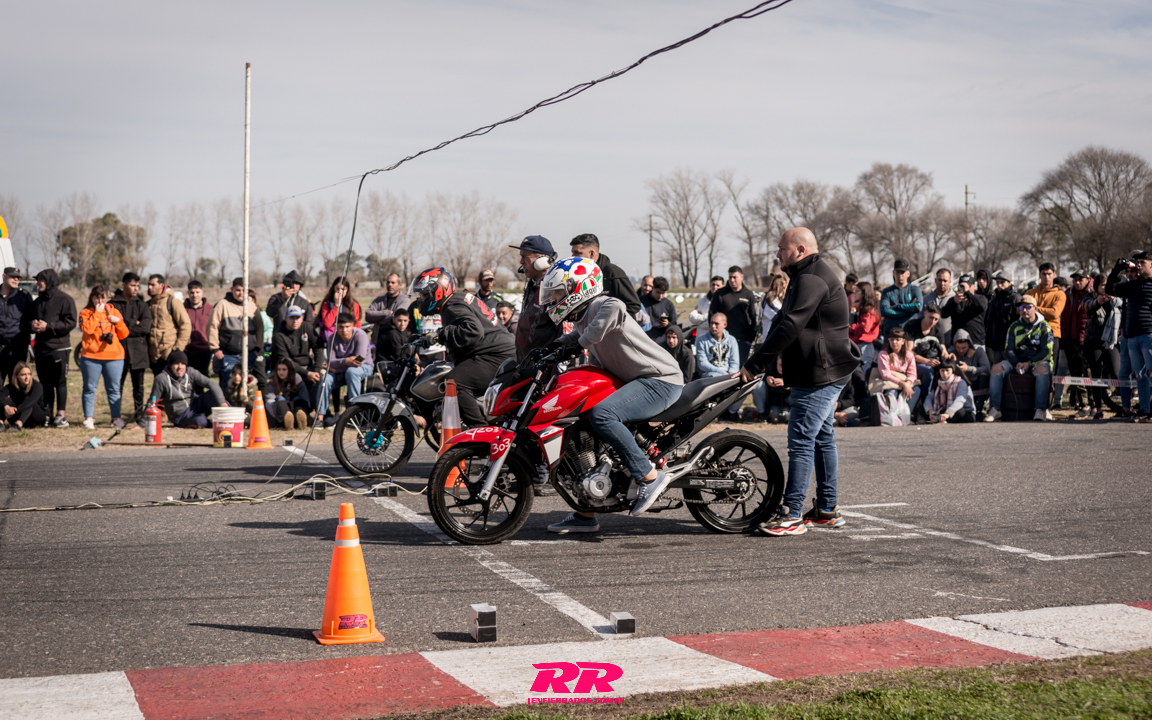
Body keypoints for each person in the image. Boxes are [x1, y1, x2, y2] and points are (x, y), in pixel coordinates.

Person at [541, 256, 685, 534]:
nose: (553, 300)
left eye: (558, 293)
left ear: (578, 288)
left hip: (659, 380)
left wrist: (579, 344)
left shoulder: (602, 304)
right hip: (637, 381)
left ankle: (649, 477)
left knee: (603, 415)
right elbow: (579, 337)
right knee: (583, 424)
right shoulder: (583, 317)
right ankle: (586, 511)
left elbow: (613, 310)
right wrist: (552, 348)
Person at [739, 228, 860, 536]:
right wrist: (761, 359)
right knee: (821, 437)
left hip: (821, 373)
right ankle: (826, 510)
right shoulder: (804, 275)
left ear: (800, 250)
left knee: (802, 438)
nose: (777, 254)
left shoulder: (812, 279)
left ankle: (791, 514)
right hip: (823, 369)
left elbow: (791, 325)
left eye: (782, 248)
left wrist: (755, 364)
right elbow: (782, 321)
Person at [410, 267, 515, 428]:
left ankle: (481, 432)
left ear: (438, 291)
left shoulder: (451, 306)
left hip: (497, 356)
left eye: (424, 294)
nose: (421, 299)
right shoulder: (457, 299)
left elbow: (473, 331)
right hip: (499, 353)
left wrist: (439, 335)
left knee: (454, 382)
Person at [985, 295, 1054, 422]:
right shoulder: (1014, 326)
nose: (1024, 310)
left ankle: (1040, 410)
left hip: (1037, 361)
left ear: (1036, 309)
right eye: (1022, 308)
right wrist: (1017, 363)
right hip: (1017, 361)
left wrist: (1029, 363)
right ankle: (995, 409)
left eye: (1028, 307)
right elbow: (1009, 349)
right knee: (996, 369)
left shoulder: (1045, 326)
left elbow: (1046, 351)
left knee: (1042, 370)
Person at [1106, 251, 1152, 422]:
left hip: (1149, 336)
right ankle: (1146, 411)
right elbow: (1110, 289)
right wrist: (1116, 270)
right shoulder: (1133, 285)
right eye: (1137, 262)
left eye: (1142, 262)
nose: (1138, 265)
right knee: (1140, 376)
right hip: (1132, 337)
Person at [78, 284, 131, 430]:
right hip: (91, 357)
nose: (100, 301)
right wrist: (97, 313)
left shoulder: (114, 311)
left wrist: (118, 322)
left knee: (114, 389)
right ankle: (89, 418)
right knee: (89, 388)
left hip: (114, 357)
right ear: (92, 298)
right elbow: (87, 329)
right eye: (97, 298)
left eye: (103, 298)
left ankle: (116, 418)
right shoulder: (85, 312)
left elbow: (124, 334)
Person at [29, 269, 77, 427]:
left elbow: (70, 322)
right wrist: (32, 325)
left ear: (50, 281)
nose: (38, 283)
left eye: (41, 280)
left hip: (59, 348)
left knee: (60, 383)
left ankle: (60, 416)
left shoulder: (65, 299)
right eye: (38, 280)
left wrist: (48, 327)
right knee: (45, 383)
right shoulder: (37, 302)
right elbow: (28, 320)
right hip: (41, 348)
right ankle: (47, 414)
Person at [109, 273, 153, 425]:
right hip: (117, 352)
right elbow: (109, 327)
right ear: (124, 285)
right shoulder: (112, 305)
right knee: (116, 387)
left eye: (137, 286)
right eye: (133, 285)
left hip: (138, 352)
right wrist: (134, 323)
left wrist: (122, 324)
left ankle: (139, 416)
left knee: (138, 387)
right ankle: (115, 417)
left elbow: (145, 328)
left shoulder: (142, 305)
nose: (136, 289)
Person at [511, 235, 561, 362]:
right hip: (525, 363)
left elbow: (565, 333)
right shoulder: (532, 284)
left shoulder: (554, 289)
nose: (521, 262)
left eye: (525, 257)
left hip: (543, 366)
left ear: (542, 261)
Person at [569, 234, 643, 319]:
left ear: (592, 253)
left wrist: (605, 321)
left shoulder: (613, 273)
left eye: (578, 253)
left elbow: (633, 306)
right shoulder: (578, 276)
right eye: (572, 252)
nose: (573, 256)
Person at [318, 312, 373, 427]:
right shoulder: (332, 338)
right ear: (336, 327)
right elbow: (330, 361)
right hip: (343, 371)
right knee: (326, 379)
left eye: (347, 327)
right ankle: (320, 417)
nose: (344, 330)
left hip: (363, 367)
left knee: (351, 372)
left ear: (352, 325)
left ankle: (355, 414)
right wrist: (346, 361)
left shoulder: (360, 335)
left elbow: (358, 361)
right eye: (341, 327)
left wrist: (337, 368)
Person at [148, 350, 227, 428]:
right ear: (170, 365)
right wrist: (143, 423)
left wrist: (222, 402)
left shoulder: (191, 372)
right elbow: (152, 401)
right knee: (200, 421)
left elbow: (212, 384)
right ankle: (212, 422)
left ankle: (230, 418)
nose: (180, 367)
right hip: (180, 416)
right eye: (176, 364)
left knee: (214, 396)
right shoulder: (161, 379)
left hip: (194, 405)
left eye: (183, 364)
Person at [208, 278, 264, 383]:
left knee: (247, 382)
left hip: (249, 352)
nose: (241, 293)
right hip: (228, 353)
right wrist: (215, 348)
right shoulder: (222, 305)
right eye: (238, 290)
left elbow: (260, 328)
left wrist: (258, 347)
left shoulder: (252, 306)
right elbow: (212, 327)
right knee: (229, 381)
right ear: (232, 289)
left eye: (244, 290)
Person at [1082, 276, 1123, 419]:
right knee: (1096, 375)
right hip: (1093, 341)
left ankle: (1126, 407)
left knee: (1116, 372)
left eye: (1108, 285)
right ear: (1096, 286)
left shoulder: (1115, 298)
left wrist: (1114, 300)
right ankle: (1098, 409)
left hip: (1111, 341)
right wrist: (1097, 302)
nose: (1105, 288)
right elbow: (1087, 306)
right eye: (1103, 285)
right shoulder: (1088, 297)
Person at [271, 305, 326, 407]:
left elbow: (318, 347)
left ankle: (321, 411)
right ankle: (304, 408)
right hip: (289, 368)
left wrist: (317, 370)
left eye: (297, 317)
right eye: (292, 318)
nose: (295, 321)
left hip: (308, 366)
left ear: (302, 318)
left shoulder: (307, 327)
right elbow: (285, 360)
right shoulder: (279, 335)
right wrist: (307, 373)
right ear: (286, 318)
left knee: (319, 380)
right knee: (300, 380)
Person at [709, 265, 759, 367]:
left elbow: (755, 318)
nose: (732, 280)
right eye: (730, 277)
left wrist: (750, 339)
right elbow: (711, 315)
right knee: (724, 370)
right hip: (723, 341)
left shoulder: (749, 295)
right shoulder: (720, 294)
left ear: (741, 277)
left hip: (743, 342)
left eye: (734, 277)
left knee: (740, 370)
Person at [1061, 270, 1094, 415]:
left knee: (1089, 374)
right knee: (1076, 375)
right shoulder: (1069, 294)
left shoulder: (1093, 294)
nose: (1077, 282)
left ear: (1088, 279)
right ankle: (1084, 405)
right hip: (1071, 341)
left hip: (1088, 341)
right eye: (1075, 280)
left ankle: (1094, 404)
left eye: (1081, 279)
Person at [146, 274, 190, 377]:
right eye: (148, 285)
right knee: (158, 384)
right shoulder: (148, 304)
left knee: (171, 384)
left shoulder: (172, 302)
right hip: (154, 356)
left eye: (153, 285)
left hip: (169, 354)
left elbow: (185, 325)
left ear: (161, 286)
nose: (149, 287)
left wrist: (177, 349)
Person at [1031, 262, 1066, 382]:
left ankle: (1050, 394)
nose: (1047, 277)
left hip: (1052, 335)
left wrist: (1035, 309)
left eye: (1049, 274)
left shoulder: (1060, 294)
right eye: (1044, 274)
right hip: (1033, 334)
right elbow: (1024, 308)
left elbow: (1055, 313)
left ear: (1054, 275)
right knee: (1033, 368)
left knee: (1050, 370)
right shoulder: (1032, 292)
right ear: (1039, 275)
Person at [874, 327, 921, 412]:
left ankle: (907, 415)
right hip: (890, 382)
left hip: (905, 381)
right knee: (892, 392)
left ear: (903, 341)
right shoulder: (883, 354)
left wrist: (908, 384)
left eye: (897, 340)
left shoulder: (909, 355)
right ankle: (891, 415)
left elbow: (912, 373)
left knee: (916, 390)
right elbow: (885, 375)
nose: (894, 342)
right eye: (891, 340)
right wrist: (903, 384)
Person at [0, 267, 32, 384]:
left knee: (16, 385)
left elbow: (31, 319)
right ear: (4, 276)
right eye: (13, 277)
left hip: (17, 348)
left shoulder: (24, 296)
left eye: (18, 277)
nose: (16, 280)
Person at [364, 272, 410, 347]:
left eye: (393, 283)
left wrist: (377, 318)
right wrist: (387, 313)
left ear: (400, 285)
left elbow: (396, 318)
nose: (390, 285)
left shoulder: (405, 300)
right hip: (378, 342)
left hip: (395, 343)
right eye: (388, 282)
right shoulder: (379, 300)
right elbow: (368, 316)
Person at [985, 270, 1021, 365]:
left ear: (1009, 283)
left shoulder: (1015, 299)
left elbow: (1019, 322)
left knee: (1010, 369)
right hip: (996, 345)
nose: (999, 285)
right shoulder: (994, 300)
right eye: (997, 282)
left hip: (1011, 345)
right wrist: (988, 341)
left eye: (1002, 282)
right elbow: (990, 321)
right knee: (997, 370)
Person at [943, 274, 988, 348]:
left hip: (976, 343)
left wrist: (968, 293)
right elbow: (943, 314)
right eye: (961, 286)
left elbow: (983, 306)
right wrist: (954, 302)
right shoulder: (954, 300)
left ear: (974, 286)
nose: (963, 289)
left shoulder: (980, 298)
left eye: (967, 286)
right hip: (957, 344)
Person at [880, 259, 923, 334]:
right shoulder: (886, 291)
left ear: (908, 273)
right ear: (894, 273)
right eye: (897, 272)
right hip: (891, 334)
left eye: (902, 272)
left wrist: (896, 307)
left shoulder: (915, 290)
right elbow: (884, 310)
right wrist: (908, 313)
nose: (900, 275)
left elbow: (918, 306)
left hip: (910, 333)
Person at [951, 329, 990, 410]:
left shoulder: (978, 350)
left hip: (976, 382)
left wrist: (969, 368)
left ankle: (980, 407)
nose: (961, 350)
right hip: (960, 384)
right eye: (958, 347)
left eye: (964, 348)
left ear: (969, 344)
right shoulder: (952, 353)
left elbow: (986, 368)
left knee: (984, 376)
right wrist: (951, 361)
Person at [2, 362, 48, 431]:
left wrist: (14, 411)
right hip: (15, 416)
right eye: (23, 375)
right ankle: (0, 423)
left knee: (28, 400)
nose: (27, 377)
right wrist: (6, 407)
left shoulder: (37, 386)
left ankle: (18, 425)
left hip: (36, 418)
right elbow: (1, 396)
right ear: (17, 375)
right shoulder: (11, 386)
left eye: (29, 374)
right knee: (5, 400)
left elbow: (31, 401)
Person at [181, 280, 214, 376]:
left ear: (202, 292)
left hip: (204, 349)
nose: (195, 295)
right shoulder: (181, 309)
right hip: (186, 350)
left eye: (197, 292)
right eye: (192, 292)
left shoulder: (211, 309)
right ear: (188, 293)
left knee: (202, 377)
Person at [267, 358, 311, 429]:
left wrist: (305, 410)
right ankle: (287, 418)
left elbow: (305, 397)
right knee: (280, 399)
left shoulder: (297, 379)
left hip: (294, 406)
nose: (281, 372)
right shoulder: (273, 381)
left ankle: (300, 416)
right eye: (279, 369)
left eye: (284, 369)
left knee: (298, 399)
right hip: (280, 412)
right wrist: (276, 415)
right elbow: (269, 402)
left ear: (289, 370)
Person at [317, 276, 362, 342]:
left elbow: (357, 324)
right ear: (333, 289)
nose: (340, 292)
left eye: (343, 289)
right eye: (338, 289)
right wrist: (336, 305)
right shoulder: (327, 303)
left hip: (349, 338)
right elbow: (327, 324)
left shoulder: (353, 304)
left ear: (347, 290)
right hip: (332, 338)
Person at [849, 292, 881, 370]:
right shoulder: (857, 308)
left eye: (857, 291)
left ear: (864, 293)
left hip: (864, 345)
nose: (854, 293)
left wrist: (848, 328)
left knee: (863, 372)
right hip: (854, 342)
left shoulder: (869, 310)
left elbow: (865, 328)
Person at [922, 268, 955, 342]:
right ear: (935, 280)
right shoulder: (925, 299)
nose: (942, 283)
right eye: (940, 280)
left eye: (945, 281)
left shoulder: (955, 299)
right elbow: (920, 319)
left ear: (950, 281)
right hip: (928, 341)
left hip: (949, 342)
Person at [756, 274, 789, 347]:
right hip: (770, 340)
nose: (785, 290)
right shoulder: (770, 300)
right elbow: (779, 318)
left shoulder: (776, 300)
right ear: (780, 287)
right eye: (784, 287)